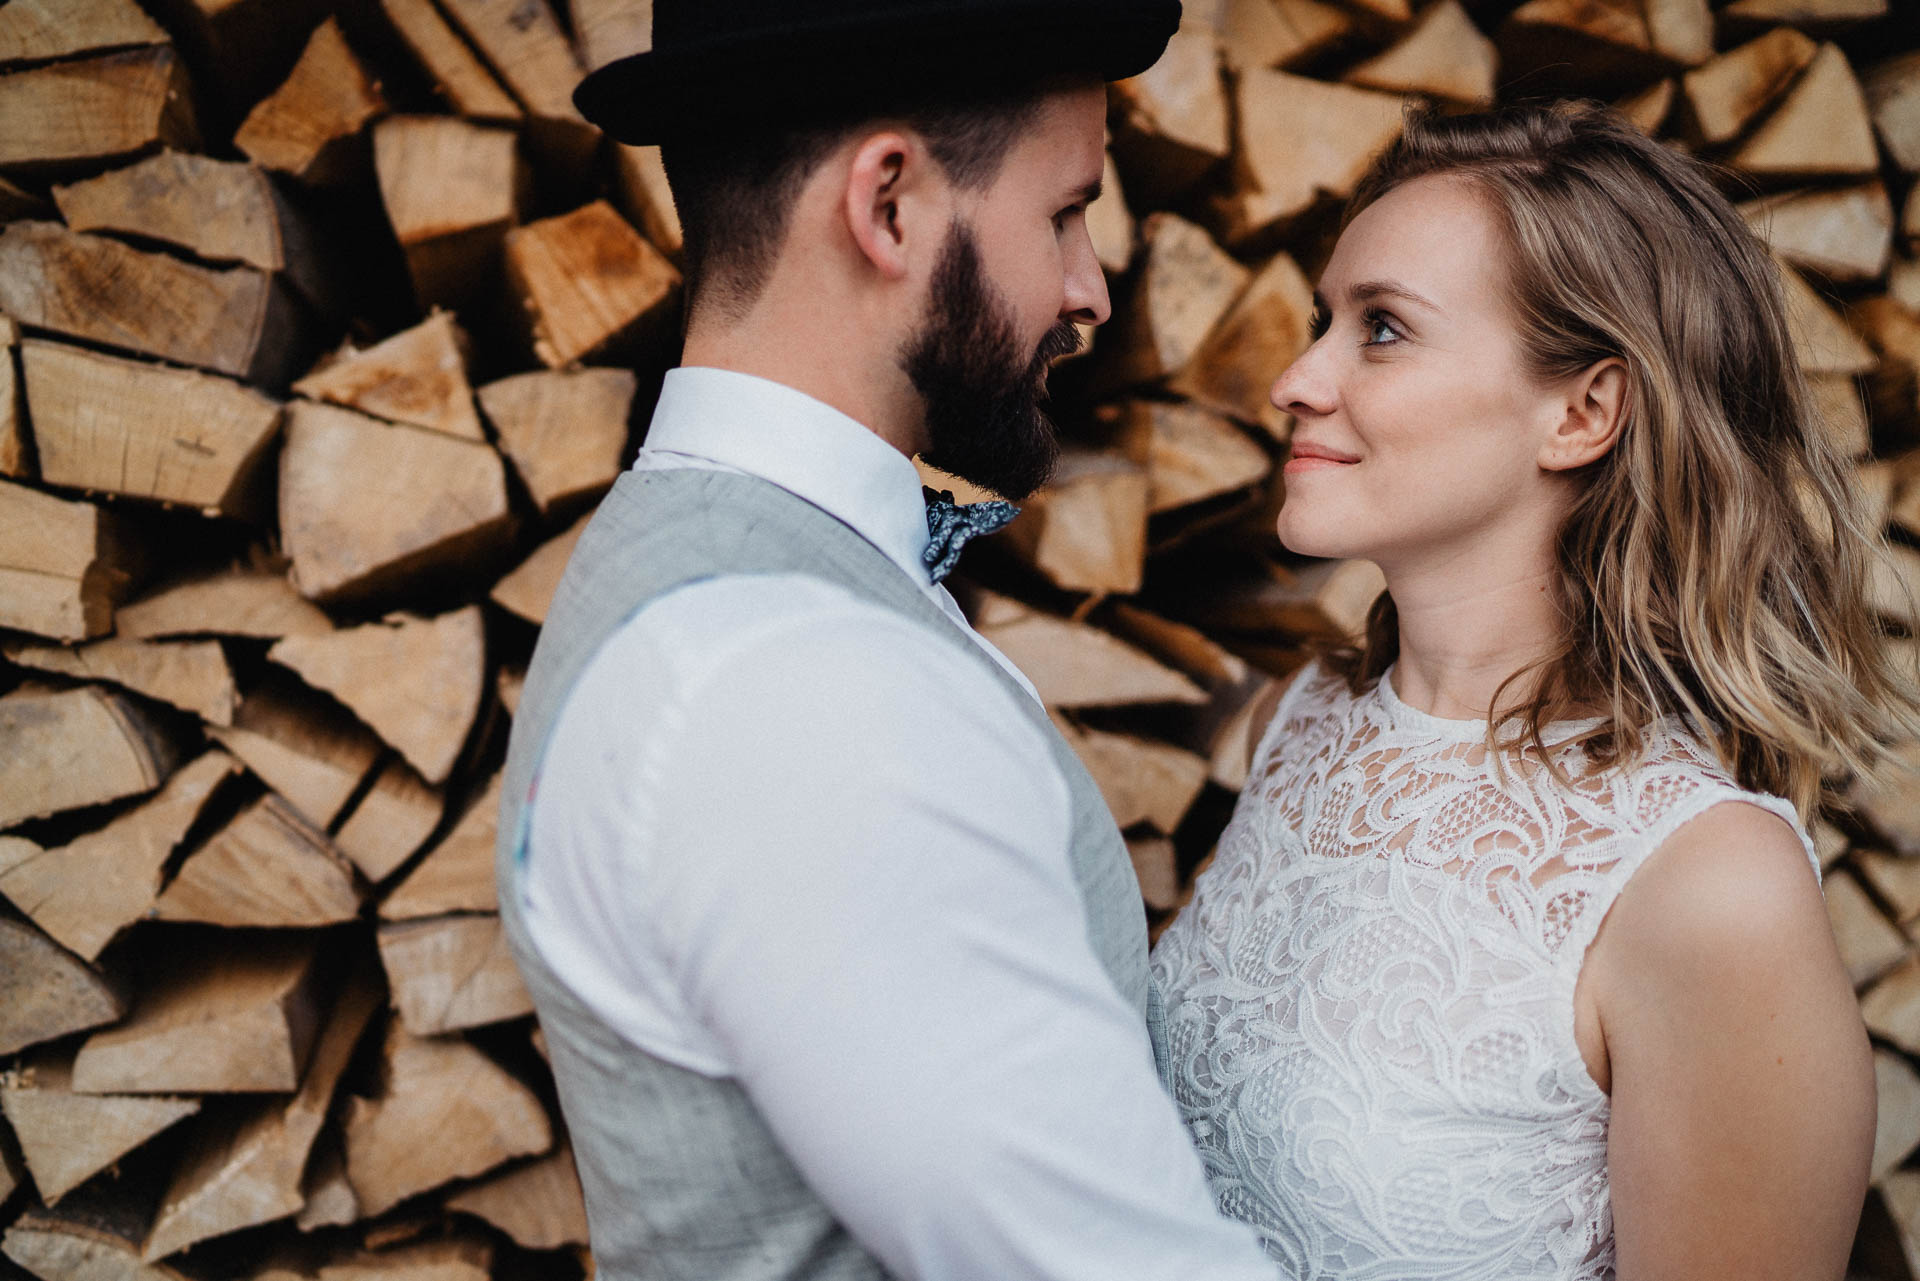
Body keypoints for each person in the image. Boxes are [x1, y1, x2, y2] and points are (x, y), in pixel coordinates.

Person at [494, 2, 1280, 1278]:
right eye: (1065, 212)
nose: (1088, 288)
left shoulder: (708, 585)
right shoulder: (797, 688)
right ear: (892, 205)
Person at [1151, 100, 1916, 1281]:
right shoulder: (1296, 724)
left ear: (1582, 411)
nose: (1298, 378)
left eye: (1384, 330)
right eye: (1322, 321)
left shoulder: (1709, 887)